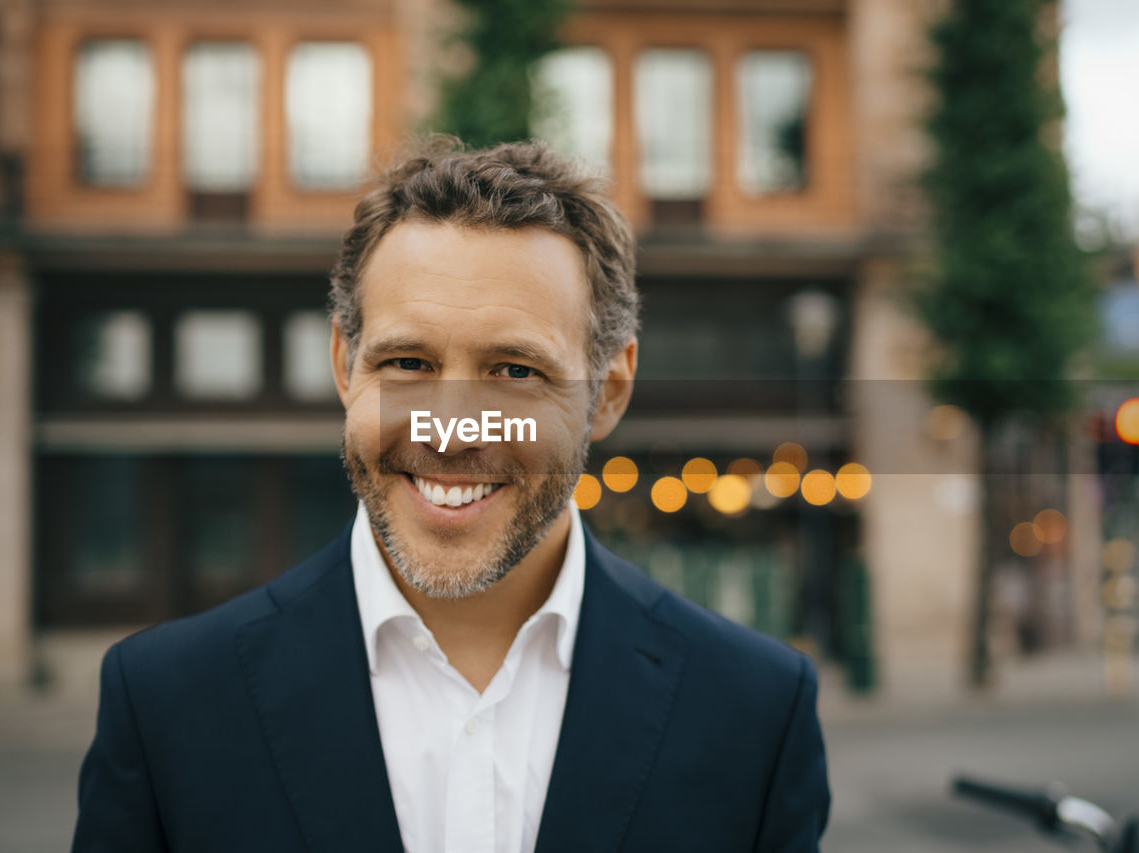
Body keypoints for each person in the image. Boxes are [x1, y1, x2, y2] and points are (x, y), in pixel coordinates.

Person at [72, 140, 830, 853]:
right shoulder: (165, 705)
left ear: (610, 391)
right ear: (344, 366)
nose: (454, 431)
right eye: (407, 361)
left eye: (515, 370)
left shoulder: (755, 713)